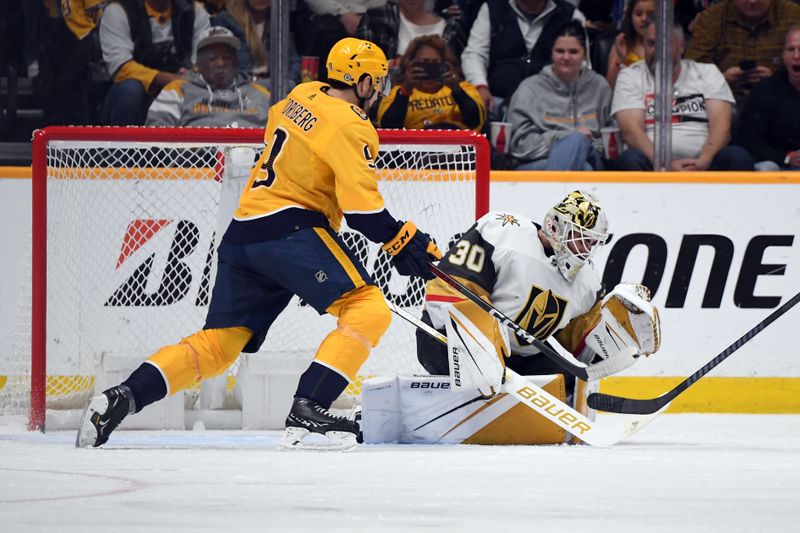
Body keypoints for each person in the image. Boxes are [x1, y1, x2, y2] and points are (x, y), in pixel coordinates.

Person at [76, 37, 443, 451]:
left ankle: (120, 398)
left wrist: (393, 238)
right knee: (368, 309)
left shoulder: (300, 95)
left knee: (218, 344)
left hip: (245, 231)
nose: (379, 90)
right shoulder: (353, 124)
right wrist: (402, 238)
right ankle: (308, 411)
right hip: (290, 231)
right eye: (376, 82)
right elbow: (362, 214)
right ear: (359, 82)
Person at [416, 190, 662, 396]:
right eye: (581, 239)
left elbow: (582, 343)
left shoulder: (586, 283)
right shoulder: (503, 232)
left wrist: (619, 338)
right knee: (482, 362)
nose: (586, 251)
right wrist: (486, 338)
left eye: (591, 243)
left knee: (572, 382)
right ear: (556, 227)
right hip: (445, 338)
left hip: (516, 359)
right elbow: (451, 288)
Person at [612, 18, 755, 171]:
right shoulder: (630, 76)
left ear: (681, 47)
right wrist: (665, 165)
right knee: (630, 159)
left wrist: (702, 162)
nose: (658, 51)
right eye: (652, 44)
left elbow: (722, 128)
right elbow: (631, 133)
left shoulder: (707, 72)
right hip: (652, 163)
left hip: (705, 161)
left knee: (737, 156)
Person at [507, 20, 612, 170]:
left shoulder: (600, 86)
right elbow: (519, 144)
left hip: (591, 157)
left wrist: (583, 143)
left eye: (573, 52)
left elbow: (612, 141)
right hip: (539, 162)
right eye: (560, 51)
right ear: (551, 53)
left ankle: (555, 192)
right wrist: (564, 138)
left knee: (581, 150)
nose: (566, 57)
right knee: (583, 165)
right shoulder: (530, 88)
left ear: (585, 54)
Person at [460, 0, 586, 121]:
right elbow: (474, 53)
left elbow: (583, 64)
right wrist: (480, 86)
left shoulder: (571, 15)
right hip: (497, 103)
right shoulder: (492, 8)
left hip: (553, 108)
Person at [98, 0, 212, 125]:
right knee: (128, 91)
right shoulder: (118, 10)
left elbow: (205, 58)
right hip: (138, 90)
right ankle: (128, 143)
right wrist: (171, 79)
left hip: (184, 85)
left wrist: (193, 72)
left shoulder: (194, 10)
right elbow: (120, 67)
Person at [146, 26, 272, 126]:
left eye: (227, 57)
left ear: (236, 61)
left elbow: (281, 131)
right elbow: (156, 129)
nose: (221, 63)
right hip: (196, 156)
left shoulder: (260, 92)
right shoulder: (178, 89)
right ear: (198, 64)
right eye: (212, 58)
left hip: (252, 156)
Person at [685, 0, 800, 102]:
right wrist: (721, 80)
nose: (752, 1)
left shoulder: (794, 16)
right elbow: (691, 74)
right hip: (722, 101)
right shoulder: (711, 19)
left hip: (783, 101)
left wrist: (777, 81)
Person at [376, 34, 485, 131]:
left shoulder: (464, 88)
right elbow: (388, 128)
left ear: (445, 63)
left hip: (457, 147)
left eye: (436, 63)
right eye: (424, 63)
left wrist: (457, 90)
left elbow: (476, 122)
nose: (430, 68)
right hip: (415, 149)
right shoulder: (397, 93)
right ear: (410, 63)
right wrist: (406, 90)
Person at [738, 25, 800, 170]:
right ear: (782, 55)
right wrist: (787, 157)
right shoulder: (765, 91)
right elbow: (749, 141)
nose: (796, 56)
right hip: (779, 163)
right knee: (766, 168)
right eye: (791, 49)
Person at [212, 0, 301, 86]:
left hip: (275, 85)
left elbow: (294, 61)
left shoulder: (279, 21)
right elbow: (221, 65)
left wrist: (288, 79)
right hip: (242, 87)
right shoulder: (226, 21)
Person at [356, 0, 467, 62]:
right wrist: (396, 66)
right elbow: (360, 63)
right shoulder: (377, 19)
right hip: (386, 97)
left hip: (441, 98)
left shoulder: (450, 28)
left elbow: (460, 71)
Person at [605, 0, 655, 89]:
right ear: (630, 17)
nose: (644, 19)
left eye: (650, 14)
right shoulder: (621, 45)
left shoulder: (665, 46)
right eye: (638, 14)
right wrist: (620, 59)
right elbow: (610, 87)